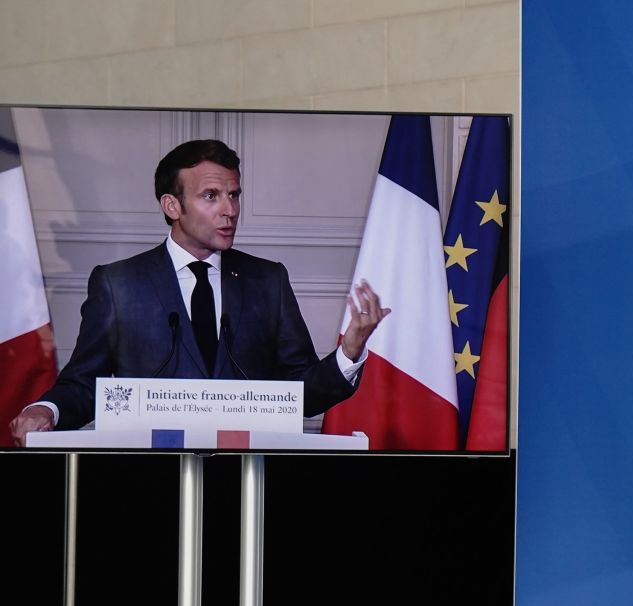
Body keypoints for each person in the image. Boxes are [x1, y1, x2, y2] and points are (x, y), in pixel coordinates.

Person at [9, 139, 390, 446]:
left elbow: (300, 394)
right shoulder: (118, 283)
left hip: (248, 482)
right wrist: (47, 410)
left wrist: (349, 352)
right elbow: (84, 383)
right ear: (172, 205)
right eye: (211, 196)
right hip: (150, 479)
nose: (230, 210)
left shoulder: (267, 280)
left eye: (234, 195)